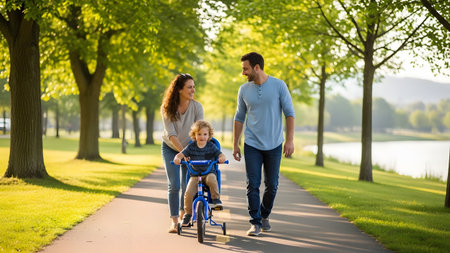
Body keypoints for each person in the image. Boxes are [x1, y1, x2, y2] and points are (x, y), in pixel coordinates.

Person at [233, 52, 295, 236]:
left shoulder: (279, 85)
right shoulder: (243, 90)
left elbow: (289, 113)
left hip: (275, 144)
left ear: (257, 67)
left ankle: (264, 214)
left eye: (245, 68)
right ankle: (255, 222)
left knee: (272, 185)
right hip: (251, 143)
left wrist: (290, 140)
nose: (243, 72)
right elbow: (239, 117)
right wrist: (235, 144)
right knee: (252, 184)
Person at [161, 73, 204, 233]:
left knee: (188, 186)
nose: (193, 89)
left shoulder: (197, 107)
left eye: (194, 86)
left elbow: (200, 130)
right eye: (189, 87)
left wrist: (189, 152)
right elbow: (171, 134)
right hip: (170, 147)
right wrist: (182, 153)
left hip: (191, 148)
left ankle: (182, 215)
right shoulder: (167, 107)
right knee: (174, 185)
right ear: (179, 89)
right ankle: (174, 221)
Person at [173, 120, 227, 227]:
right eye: (199, 134)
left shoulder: (211, 146)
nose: (202, 137)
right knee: (188, 193)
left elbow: (221, 155)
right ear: (194, 135)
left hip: (208, 173)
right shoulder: (191, 146)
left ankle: (216, 200)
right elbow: (181, 154)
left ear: (209, 135)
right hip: (195, 175)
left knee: (212, 179)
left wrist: (221, 158)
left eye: (205, 134)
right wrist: (177, 158)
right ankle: (188, 214)